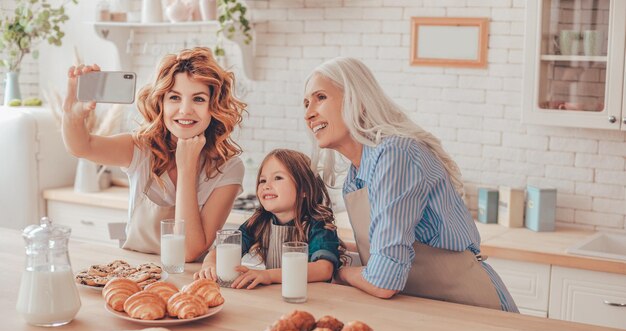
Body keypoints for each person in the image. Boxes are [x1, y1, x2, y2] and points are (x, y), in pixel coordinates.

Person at [302, 57, 518, 312]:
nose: (308, 113)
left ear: (356, 99)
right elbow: (388, 252)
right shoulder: (356, 176)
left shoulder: (395, 155)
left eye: (320, 97)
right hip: (424, 309)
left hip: (471, 306)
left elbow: (383, 280)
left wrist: (341, 273)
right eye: (306, 104)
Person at [62, 47, 245, 260]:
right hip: (133, 274)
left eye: (198, 99)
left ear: (214, 106)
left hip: (188, 284)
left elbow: (188, 251)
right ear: (161, 103)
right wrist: (72, 114)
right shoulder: (141, 148)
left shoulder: (228, 168)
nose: (185, 110)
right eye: (175, 97)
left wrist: (187, 168)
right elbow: (82, 147)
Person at [194, 149, 344, 289]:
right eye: (262, 180)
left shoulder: (318, 223)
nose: (266, 186)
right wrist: (210, 263)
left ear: (304, 189)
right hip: (274, 297)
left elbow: (324, 269)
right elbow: (222, 249)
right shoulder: (260, 221)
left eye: (278, 178)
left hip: (311, 298)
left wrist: (269, 275)